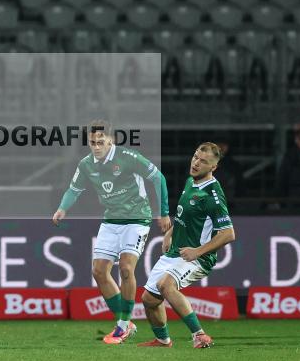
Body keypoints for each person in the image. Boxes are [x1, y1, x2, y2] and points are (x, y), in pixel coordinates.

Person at [52, 120, 170, 344]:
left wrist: (163, 212)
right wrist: (62, 208)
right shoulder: (86, 164)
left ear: (111, 140)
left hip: (136, 218)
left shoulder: (128, 157)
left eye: (101, 142)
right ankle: (126, 322)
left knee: (126, 268)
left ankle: (123, 325)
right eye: (92, 142)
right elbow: (74, 189)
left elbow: (158, 178)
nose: (96, 147)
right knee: (99, 271)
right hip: (111, 221)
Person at [139, 142, 235, 349]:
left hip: (198, 257)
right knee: (148, 299)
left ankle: (199, 335)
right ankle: (163, 340)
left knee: (166, 285)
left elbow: (228, 234)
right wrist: (170, 233)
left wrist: (197, 252)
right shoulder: (191, 181)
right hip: (176, 252)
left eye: (203, 161)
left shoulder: (212, 195)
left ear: (213, 167)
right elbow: (186, 214)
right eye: (195, 157)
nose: (196, 163)